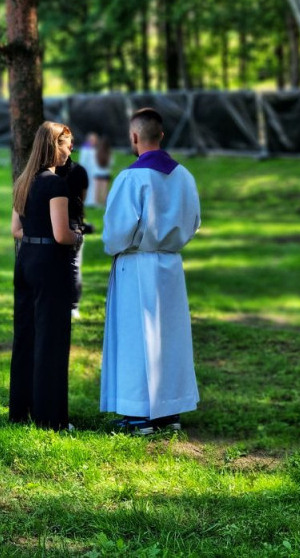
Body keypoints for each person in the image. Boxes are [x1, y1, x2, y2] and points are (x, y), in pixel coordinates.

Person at [101, 108, 201, 435]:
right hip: (170, 264)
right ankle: (169, 411)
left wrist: (114, 246)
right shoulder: (184, 176)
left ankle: (141, 413)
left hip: (137, 262)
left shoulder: (132, 178)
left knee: (137, 338)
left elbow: (117, 230)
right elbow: (194, 222)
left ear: (134, 137)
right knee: (168, 339)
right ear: (161, 135)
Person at [9, 122, 82, 431]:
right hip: (49, 264)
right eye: (68, 144)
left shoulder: (23, 181)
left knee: (26, 336)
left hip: (25, 258)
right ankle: (50, 418)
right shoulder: (55, 184)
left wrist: (35, 237)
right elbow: (61, 234)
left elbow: (15, 229)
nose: (71, 150)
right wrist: (77, 235)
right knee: (51, 339)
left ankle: (21, 410)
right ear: (55, 145)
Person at [55, 152, 89, 320]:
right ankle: (73, 305)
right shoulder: (80, 171)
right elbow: (82, 199)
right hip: (75, 223)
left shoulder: (48, 173)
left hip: (53, 224)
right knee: (74, 266)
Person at [93, 136, 113, 207]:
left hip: (97, 173)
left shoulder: (97, 152)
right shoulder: (109, 153)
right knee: (105, 190)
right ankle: (104, 204)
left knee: (97, 189)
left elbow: (94, 162)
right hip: (105, 174)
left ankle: (96, 203)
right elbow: (111, 163)